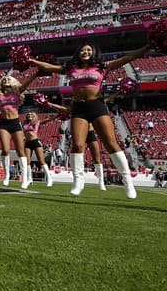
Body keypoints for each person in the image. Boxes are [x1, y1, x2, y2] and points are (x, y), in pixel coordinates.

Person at [27, 43, 150, 198]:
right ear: (78, 53)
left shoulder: (102, 66)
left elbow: (127, 58)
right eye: (83, 50)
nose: (85, 52)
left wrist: (147, 47)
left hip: (97, 106)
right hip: (79, 108)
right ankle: (78, 181)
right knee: (77, 144)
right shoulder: (71, 68)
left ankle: (127, 181)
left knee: (111, 143)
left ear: (93, 53)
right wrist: (32, 60)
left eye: (89, 50)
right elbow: (50, 67)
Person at [0, 72, 41, 189]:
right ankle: (6, 175)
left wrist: (35, 75)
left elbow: (27, 82)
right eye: (4, 79)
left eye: (9, 79)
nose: (6, 80)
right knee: (5, 150)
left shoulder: (17, 92)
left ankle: (25, 178)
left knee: (20, 151)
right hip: (3, 124)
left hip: (15, 123)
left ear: (13, 82)